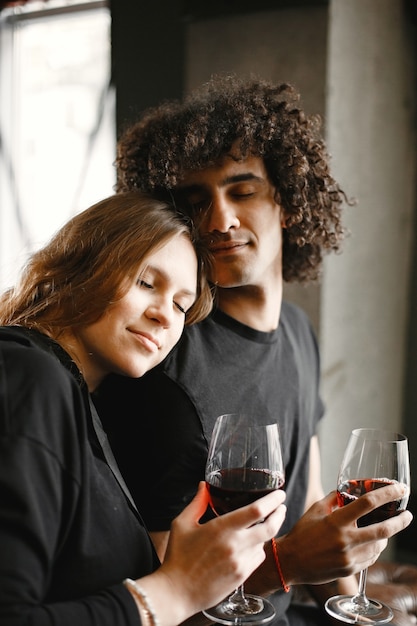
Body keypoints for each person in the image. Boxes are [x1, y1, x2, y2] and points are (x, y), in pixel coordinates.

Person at [95, 75, 416, 626]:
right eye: (197, 202)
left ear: (288, 204)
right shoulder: (166, 367)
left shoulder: (296, 331)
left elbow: (310, 494)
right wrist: (287, 566)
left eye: (242, 192)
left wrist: (353, 598)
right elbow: (162, 597)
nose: (221, 221)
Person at [0, 191, 288, 626]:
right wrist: (174, 590)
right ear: (81, 267)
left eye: (181, 305)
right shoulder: (28, 375)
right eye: (146, 283)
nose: (165, 317)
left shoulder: (81, 402)